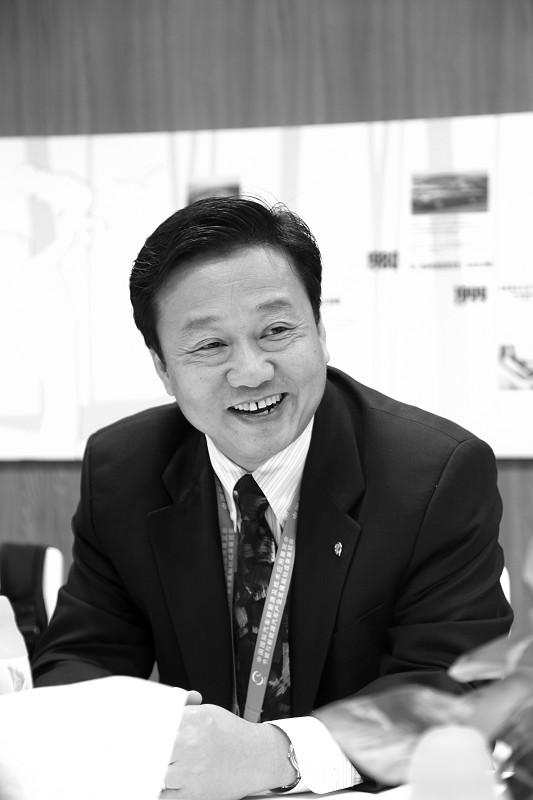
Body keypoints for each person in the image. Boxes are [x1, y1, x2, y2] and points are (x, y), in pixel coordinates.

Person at [32, 197, 513, 798]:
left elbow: (452, 689)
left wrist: (277, 755)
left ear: (321, 333)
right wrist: (135, 740)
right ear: (162, 368)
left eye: (277, 331)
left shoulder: (433, 474)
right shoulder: (122, 469)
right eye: (210, 345)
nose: (252, 372)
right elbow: (80, 663)